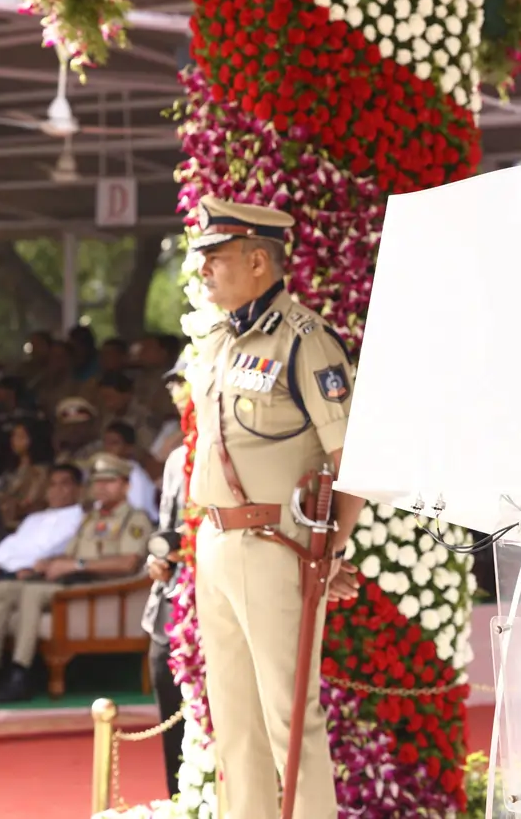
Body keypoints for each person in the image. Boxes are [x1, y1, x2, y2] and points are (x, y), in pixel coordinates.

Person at [185, 195, 364, 819]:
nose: (204, 268)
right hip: (216, 542)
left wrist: (331, 548)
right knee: (235, 724)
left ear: (258, 261)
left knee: (291, 720)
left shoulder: (304, 341)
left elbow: (353, 460)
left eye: (217, 256)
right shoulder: (219, 341)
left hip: (276, 548)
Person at [0, 453, 150, 701]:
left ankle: (20, 673)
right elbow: (69, 554)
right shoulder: (90, 519)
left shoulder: (135, 520)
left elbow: (128, 563)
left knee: (31, 593)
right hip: (72, 583)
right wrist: (48, 564)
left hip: (102, 588)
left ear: (126, 486)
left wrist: (76, 565)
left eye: (110, 481)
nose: (101, 487)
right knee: (3, 588)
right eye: (98, 482)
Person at [141, 436, 191, 797]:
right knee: (171, 712)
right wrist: (157, 560)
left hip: (222, 601)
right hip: (169, 609)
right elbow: (166, 526)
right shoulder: (176, 459)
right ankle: (180, 801)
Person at [0, 463, 85, 579]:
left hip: (34, 574)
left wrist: (22, 567)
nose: (57, 490)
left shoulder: (81, 519)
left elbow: (53, 549)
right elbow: (11, 544)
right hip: (5, 570)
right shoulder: (33, 519)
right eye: (52, 485)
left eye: (64, 484)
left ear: (79, 489)